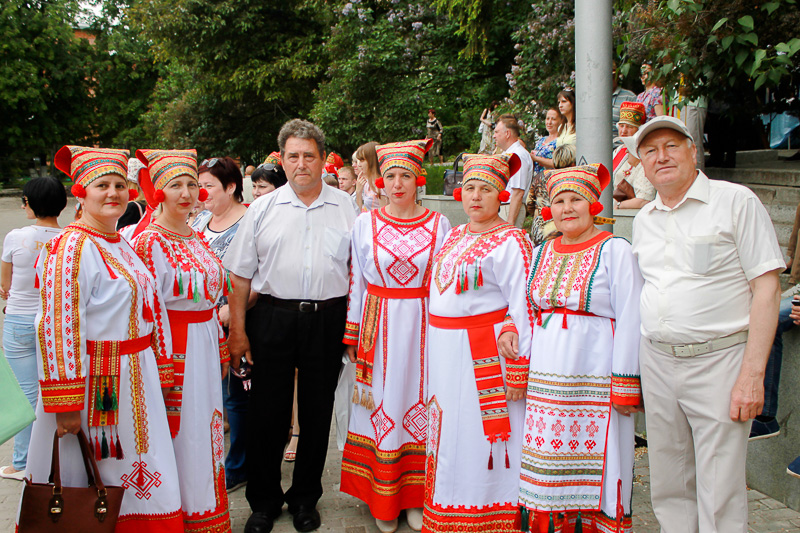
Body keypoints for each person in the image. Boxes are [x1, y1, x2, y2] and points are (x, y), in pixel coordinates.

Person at [631, 116, 784, 532]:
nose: (661, 157)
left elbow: (767, 290)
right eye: (650, 151)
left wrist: (752, 376)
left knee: (719, 488)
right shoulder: (644, 219)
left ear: (693, 152)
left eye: (672, 146)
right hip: (658, 362)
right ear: (641, 166)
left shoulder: (736, 202)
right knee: (668, 481)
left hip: (720, 362)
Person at [19, 145, 183, 531]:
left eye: (119, 185)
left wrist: (161, 369)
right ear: (80, 192)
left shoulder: (120, 241)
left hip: (133, 376)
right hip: (98, 385)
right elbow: (58, 325)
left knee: (140, 468)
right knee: (91, 476)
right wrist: (66, 402)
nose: (113, 193)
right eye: (101, 186)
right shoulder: (71, 247)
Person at [224, 119, 358, 533]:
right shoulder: (262, 208)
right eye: (293, 156)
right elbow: (241, 275)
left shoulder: (347, 207)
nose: (301, 164)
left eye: (309, 156)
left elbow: (360, 271)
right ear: (281, 160)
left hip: (327, 319)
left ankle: (305, 499)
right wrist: (238, 332)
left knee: (317, 414)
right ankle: (263, 503)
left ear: (322, 159)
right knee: (268, 413)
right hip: (273, 318)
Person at [518, 164, 643, 532]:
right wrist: (512, 330)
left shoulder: (615, 249)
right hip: (545, 374)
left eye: (576, 199)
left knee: (601, 455)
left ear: (593, 205)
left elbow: (631, 314)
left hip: (595, 371)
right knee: (548, 455)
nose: (567, 208)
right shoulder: (541, 251)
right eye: (559, 200)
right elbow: (527, 308)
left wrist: (625, 383)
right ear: (548, 209)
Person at [340, 139, 451, 533]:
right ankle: (383, 497)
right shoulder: (364, 224)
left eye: (406, 175)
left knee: (419, 406)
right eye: (390, 176)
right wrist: (352, 335)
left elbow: (445, 283)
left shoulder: (440, 224)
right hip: (379, 325)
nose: (398, 183)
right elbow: (358, 284)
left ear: (418, 179)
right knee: (383, 405)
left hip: (424, 327)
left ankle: (416, 497)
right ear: (379, 181)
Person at [424, 152, 532, 532]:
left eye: (485, 189)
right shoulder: (455, 234)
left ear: (501, 194)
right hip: (444, 351)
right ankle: (447, 509)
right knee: (447, 429)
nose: (475, 196)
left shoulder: (513, 240)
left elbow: (523, 305)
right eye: (469, 188)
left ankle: (486, 515)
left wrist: (518, 366)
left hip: (482, 354)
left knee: (478, 435)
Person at [132, 148, 233, 532]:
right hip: (174, 348)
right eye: (176, 185)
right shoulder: (147, 242)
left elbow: (211, 298)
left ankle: (208, 512)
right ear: (158, 190)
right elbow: (146, 310)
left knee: (206, 428)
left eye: (192, 184)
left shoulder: (196, 235)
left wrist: (220, 344)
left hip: (204, 341)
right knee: (183, 432)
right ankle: (182, 517)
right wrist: (161, 363)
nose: (187, 193)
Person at [0, 177, 66, 481]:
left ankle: (23, 462)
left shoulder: (16, 237)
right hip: (54, 324)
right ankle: (56, 458)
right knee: (55, 390)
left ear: (29, 204)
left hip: (18, 322)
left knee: (26, 394)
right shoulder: (70, 238)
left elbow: (5, 285)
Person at [192, 156, 249, 493]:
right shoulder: (199, 221)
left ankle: (238, 466)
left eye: (208, 186)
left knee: (236, 399)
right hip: (201, 326)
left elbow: (260, 276)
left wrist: (231, 312)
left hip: (237, 322)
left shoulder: (250, 221)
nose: (201, 193)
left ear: (230, 187)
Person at [527, 144, 576, 246]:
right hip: (561, 228)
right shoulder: (573, 179)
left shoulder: (540, 176)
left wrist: (538, 213)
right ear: (573, 162)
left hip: (539, 227)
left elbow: (529, 203)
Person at [493, 114, 534, 229]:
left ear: (507, 134)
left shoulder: (518, 155)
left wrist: (510, 224)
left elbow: (518, 192)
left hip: (510, 208)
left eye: (496, 132)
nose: (494, 136)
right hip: (503, 207)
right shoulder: (508, 154)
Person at [612, 101, 656, 209]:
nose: (623, 131)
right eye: (621, 126)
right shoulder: (618, 150)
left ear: (639, 130)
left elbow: (644, 199)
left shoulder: (644, 155)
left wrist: (616, 205)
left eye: (629, 127)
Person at [354, 142, 387, 212]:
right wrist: (358, 192)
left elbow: (385, 215)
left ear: (371, 161)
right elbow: (358, 213)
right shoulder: (367, 183)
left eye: (362, 160)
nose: (359, 165)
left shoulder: (381, 185)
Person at [612, 62, 637, 147]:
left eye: (613, 77)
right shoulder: (593, 99)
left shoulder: (629, 97)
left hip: (622, 147)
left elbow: (636, 127)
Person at [530, 106, 561, 175]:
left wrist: (536, 158)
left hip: (551, 179)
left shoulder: (560, 141)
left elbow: (558, 163)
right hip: (536, 181)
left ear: (560, 121)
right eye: (547, 119)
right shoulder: (541, 140)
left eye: (553, 119)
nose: (549, 122)